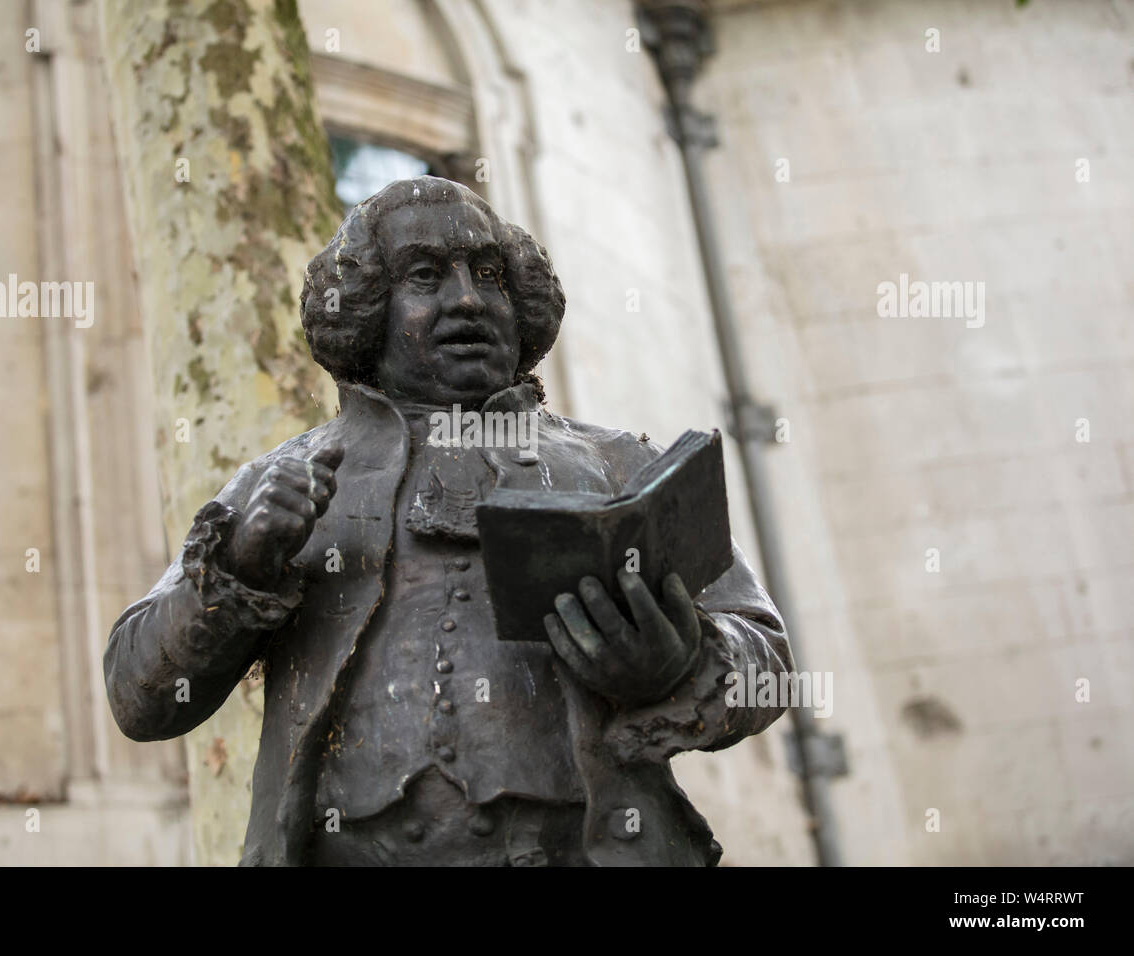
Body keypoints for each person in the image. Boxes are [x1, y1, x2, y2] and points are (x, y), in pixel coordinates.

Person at [104, 176, 793, 866]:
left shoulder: (617, 462)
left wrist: (680, 660)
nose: (467, 299)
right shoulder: (279, 481)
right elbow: (141, 696)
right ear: (369, 307)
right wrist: (239, 567)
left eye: (488, 274)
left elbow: (766, 657)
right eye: (426, 276)